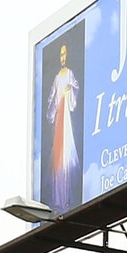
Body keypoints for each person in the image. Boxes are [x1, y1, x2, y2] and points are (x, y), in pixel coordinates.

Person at [45, 42, 82, 211]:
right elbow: (51, 100)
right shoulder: (57, 77)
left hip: (67, 118)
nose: (62, 57)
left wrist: (70, 89)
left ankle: (67, 197)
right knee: (58, 158)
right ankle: (58, 198)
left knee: (67, 155)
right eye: (60, 54)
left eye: (64, 54)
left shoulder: (70, 74)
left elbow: (76, 89)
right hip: (60, 117)